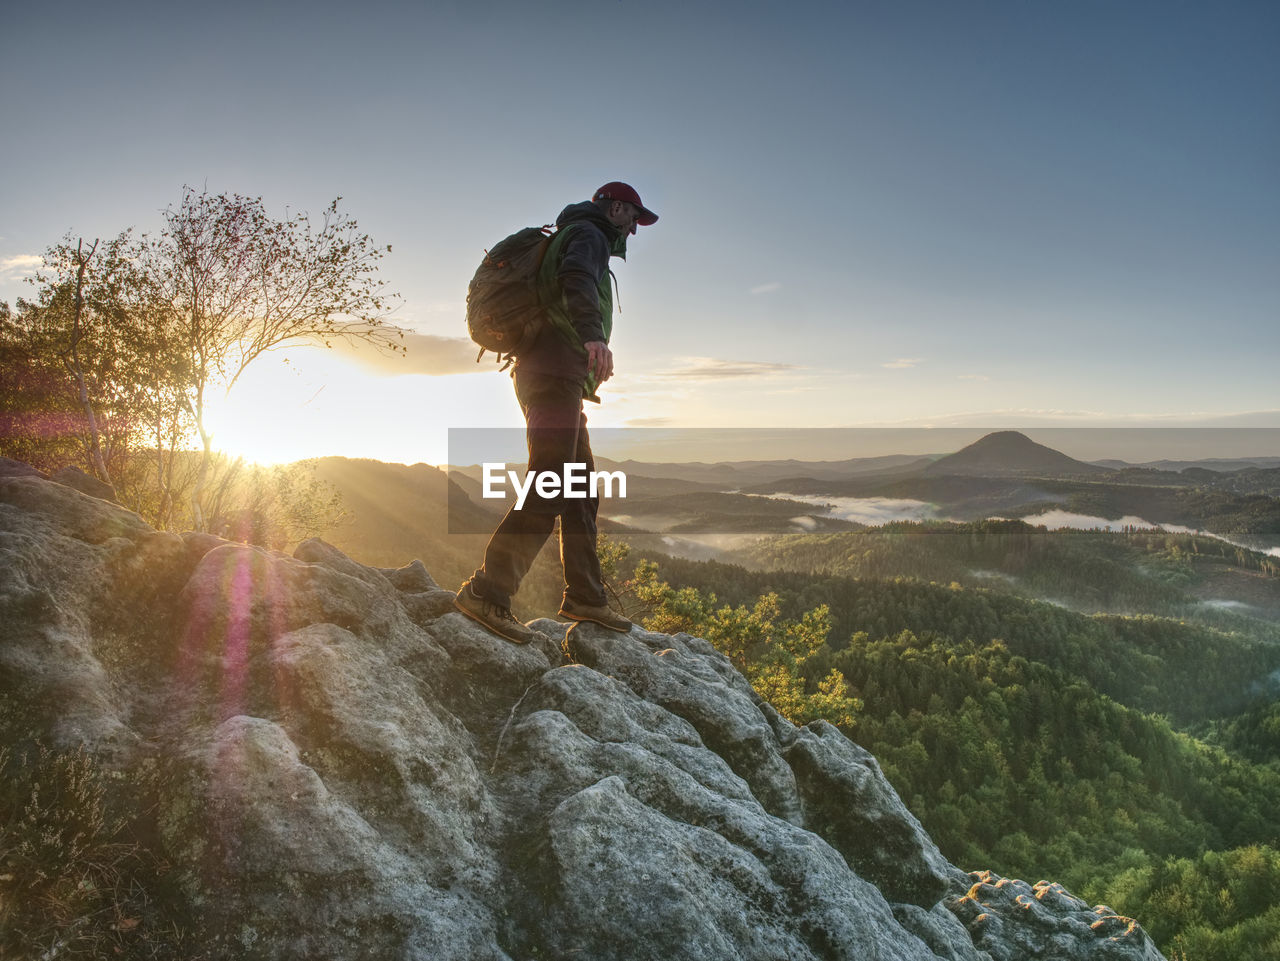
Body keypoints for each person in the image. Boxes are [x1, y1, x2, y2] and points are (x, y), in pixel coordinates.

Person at [455, 182, 658, 644]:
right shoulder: (587, 236)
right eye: (634, 218)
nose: (634, 229)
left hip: (558, 378)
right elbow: (575, 279)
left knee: (581, 490)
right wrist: (594, 337)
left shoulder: (577, 233)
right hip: (550, 376)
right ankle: (487, 592)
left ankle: (585, 596)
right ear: (618, 208)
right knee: (551, 482)